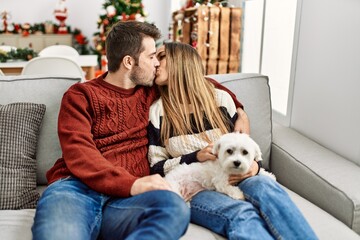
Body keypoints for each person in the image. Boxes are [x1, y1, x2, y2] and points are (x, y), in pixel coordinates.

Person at [32, 21, 245, 240]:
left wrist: (239, 110)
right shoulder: (80, 95)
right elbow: (79, 154)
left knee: (173, 208)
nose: (157, 64)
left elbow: (194, 82)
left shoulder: (150, 91)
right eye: (152, 57)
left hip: (128, 201)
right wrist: (132, 183)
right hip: (76, 189)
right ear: (128, 61)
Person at [148, 42, 318, 240]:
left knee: (268, 189)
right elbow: (156, 167)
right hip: (196, 190)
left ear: (181, 62)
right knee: (242, 213)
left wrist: (255, 166)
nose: (155, 63)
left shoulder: (221, 100)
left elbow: (244, 147)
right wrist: (195, 156)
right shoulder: (158, 111)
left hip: (236, 174)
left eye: (160, 56)